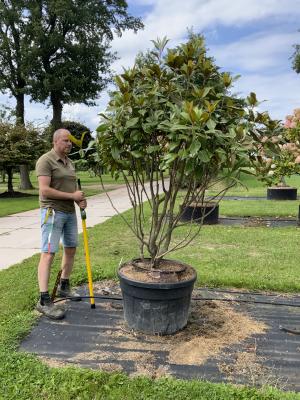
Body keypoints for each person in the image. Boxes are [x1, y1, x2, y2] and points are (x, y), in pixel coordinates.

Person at [35, 128, 86, 319]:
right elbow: (44, 191)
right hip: (52, 213)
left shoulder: (70, 163)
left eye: (71, 141)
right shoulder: (45, 160)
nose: (69, 144)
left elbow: (72, 188)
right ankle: (43, 299)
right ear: (55, 141)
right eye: (66, 140)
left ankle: (64, 285)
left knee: (71, 248)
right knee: (48, 254)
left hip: (69, 213)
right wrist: (72, 196)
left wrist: (79, 199)